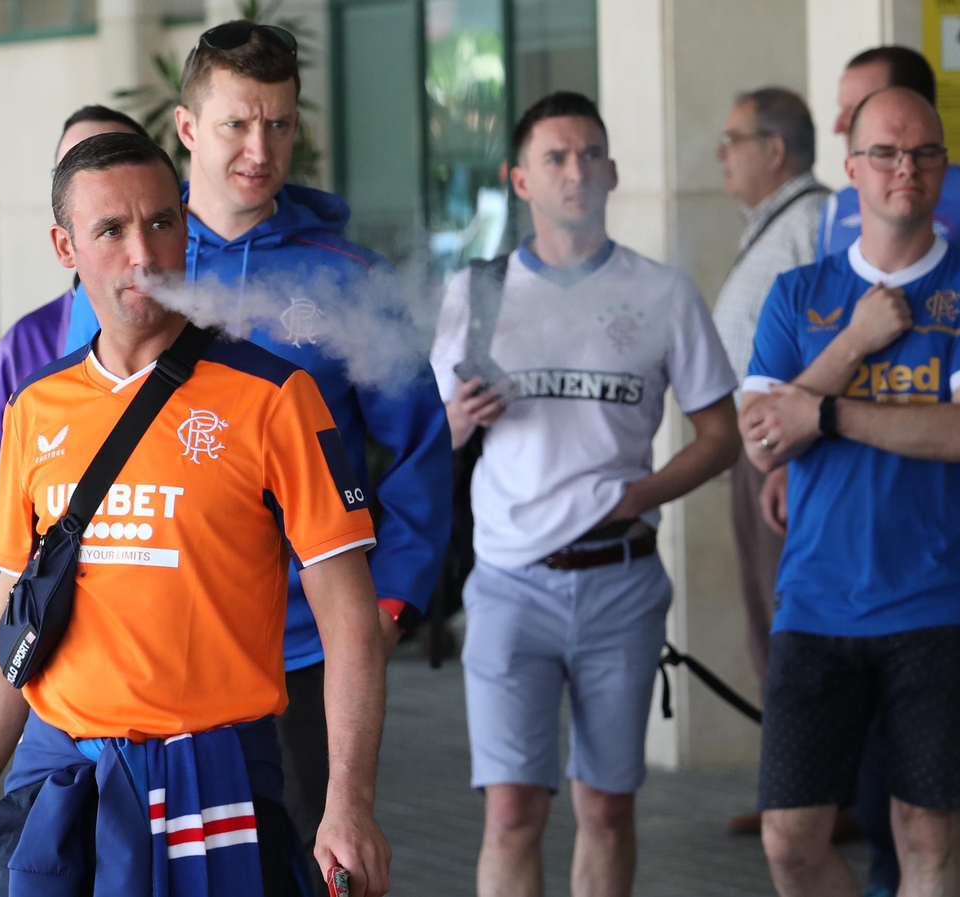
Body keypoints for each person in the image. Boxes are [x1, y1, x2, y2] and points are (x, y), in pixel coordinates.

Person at [0, 132, 392, 896]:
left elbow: (349, 617)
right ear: (64, 246)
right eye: (111, 230)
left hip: (215, 770)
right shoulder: (35, 408)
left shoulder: (274, 397)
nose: (145, 251)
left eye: (163, 222)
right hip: (60, 774)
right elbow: (14, 606)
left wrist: (348, 802)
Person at [60, 23, 452, 891]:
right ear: (188, 128)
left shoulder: (350, 277)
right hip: (155, 662)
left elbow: (422, 446)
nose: (260, 148)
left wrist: (391, 604)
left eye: (279, 123)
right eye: (237, 123)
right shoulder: (125, 271)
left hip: (308, 653)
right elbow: (75, 448)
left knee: (320, 869)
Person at [429, 91, 740, 897]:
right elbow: (433, 444)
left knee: (605, 808)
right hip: (507, 585)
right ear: (520, 181)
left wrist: (639, 495)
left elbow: (721, 434)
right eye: (555, 158)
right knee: (511, 814)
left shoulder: (662, 293)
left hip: (622, 582)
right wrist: (456, 421)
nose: (575, 172)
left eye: (588, 155)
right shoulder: (477, 292)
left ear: (611, 171)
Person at [742, 86, 960, 897]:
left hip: (941, 597)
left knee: (926, 833)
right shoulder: (799, 294)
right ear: (851, 170)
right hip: (817, 598)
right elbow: (762, 440)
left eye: (926, 152)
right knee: (790, 840)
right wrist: (856, 342)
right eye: (887, 153)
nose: (908, 167)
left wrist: (823, 413)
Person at [709, 85, 831, 833]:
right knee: (767, 621)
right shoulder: (772, 224)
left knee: (794, 623)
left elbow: (821, 340)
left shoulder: (812, 222)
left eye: (734, 138)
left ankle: (818, 796)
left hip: (787, 453)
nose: (721, 153)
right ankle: (794, 787)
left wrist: (786, 450)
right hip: (753, 447)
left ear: (775, 150)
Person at [0, 105, 150, 525]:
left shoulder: (206, 324)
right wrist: (49, 480)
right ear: (64, 241)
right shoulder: (32, 337)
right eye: (72, 168)